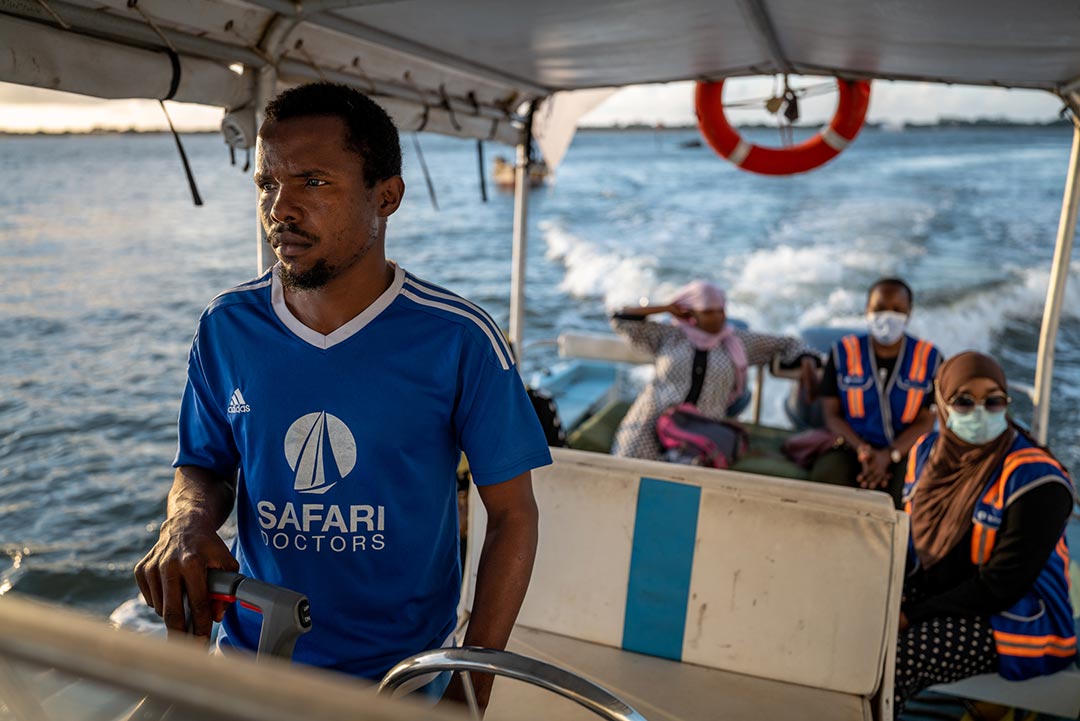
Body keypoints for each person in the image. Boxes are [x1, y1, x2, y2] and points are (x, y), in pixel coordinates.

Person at [134, 82, 552, 708]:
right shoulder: (225, 328)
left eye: (314, 183)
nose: (280, 208)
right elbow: (204, 465)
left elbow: (514, 515)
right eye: (267, 184)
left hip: (403, 678)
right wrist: (186, 520)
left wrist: (471, 685)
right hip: (253, 660)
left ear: (386, 197)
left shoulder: (458, 338)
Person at [895, 351, 1075, 712]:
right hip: (940, 592)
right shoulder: (925, 453)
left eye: (993, 401)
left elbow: (1001, 587)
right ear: (943, 406)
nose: (979, 412)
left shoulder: (1038, 480)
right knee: (850, 629)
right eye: (963, 401)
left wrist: (911, 616)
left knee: (896, 659)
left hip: (1018, 617)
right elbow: (904, 544)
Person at [610, 280, 817, 461]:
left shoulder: (738, 341)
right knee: (628, 463)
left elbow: (789, 343)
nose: (718, 317)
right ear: (690, 312)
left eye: (721, 310)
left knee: (690, 478)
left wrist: (806, 359)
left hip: (702, 427)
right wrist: (667, 308)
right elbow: (622, 318)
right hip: (652, 419)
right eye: (708, 312)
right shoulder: (669, 335)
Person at [812, 278, 943, 507]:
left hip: (905, 451)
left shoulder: (930, 358)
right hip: (851, 446)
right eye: (880, 309)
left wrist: (888, 456)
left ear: (909, 313)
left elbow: (926, 422)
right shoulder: (843, 352)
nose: (888, 316)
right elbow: (831, 415)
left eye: (897, 310)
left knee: (909, 489)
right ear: (867, 310)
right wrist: (864, 451)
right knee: (828, 475)